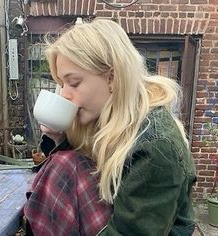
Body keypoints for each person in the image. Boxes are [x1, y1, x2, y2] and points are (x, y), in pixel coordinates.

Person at [24, 18, 197, 235]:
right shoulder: (109, 119)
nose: (64, 94)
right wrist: (58, 137)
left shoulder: (156, 147)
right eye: (61, 84)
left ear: (112, 78)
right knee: (65, 162)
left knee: (63, 166)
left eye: (74, 82)